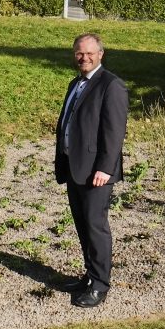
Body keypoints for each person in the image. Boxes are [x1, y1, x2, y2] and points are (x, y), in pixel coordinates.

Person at [54, 33, 128, 308]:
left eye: (89, 53)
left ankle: (100, 285)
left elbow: (114, 132)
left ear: (100, 54)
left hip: (97, 172)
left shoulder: (111, 86)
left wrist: (105, 168)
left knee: (95, 227)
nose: (83, 58)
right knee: (83, 225)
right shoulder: (76, 83)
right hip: (75, 168)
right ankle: (89, 275)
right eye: (78, 53)